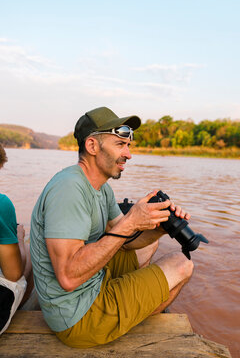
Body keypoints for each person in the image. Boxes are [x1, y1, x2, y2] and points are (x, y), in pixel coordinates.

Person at [30, 107, 194, 348]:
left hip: (94, 280)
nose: (128, 154)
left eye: (129, 145)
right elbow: (66, 277)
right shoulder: (69, 189)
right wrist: (131, 222)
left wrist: (158, 227)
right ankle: (127, 316)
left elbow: (126, 241)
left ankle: (128, 304)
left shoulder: (101, 187)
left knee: (150, 246)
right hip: (76, 316)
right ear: (93, 146)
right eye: (120, 144)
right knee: (183, 265)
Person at [0, 144, 33, 334]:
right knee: (29, 251)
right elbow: (13, 273)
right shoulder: (2, 204)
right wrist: (19, 238)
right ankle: (18, 311)